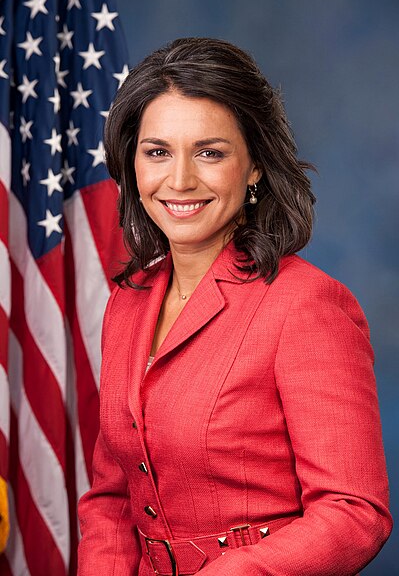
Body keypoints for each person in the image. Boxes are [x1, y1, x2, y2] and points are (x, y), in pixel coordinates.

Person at [77, 37, 392, 576]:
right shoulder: (127, 304)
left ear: (254, 167)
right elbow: (112, 500)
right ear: (132, 165)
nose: (179, 180)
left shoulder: (306, 305)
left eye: (210, 152)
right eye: (157, 152)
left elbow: (354, 512)